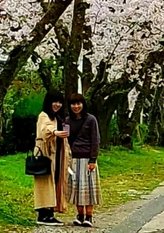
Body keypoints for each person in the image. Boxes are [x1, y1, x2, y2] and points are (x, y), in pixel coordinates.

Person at [33, 92, 69, 225]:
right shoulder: (44, 116)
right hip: (45, 154)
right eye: (55, 101)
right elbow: (45, 129)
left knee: (53, 182)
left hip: (56, 154)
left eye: (60, 102)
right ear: (49, 102)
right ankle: (43, 214)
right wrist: (55, 132)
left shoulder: (57, 118)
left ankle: (50, 212)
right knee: (45, 183)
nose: (57, 105)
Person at [65, 93, 101, 228]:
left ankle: (89, 216)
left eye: (78, 103)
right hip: (73, 159)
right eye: (73, 104)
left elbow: (95, 140)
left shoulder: (91, 120)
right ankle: (79, 214)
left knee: (89, 188)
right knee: (76, 188)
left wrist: (93, 159)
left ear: (83, 104)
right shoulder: (67, 121)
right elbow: (66, 140)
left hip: (87, 159)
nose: (76, 106)